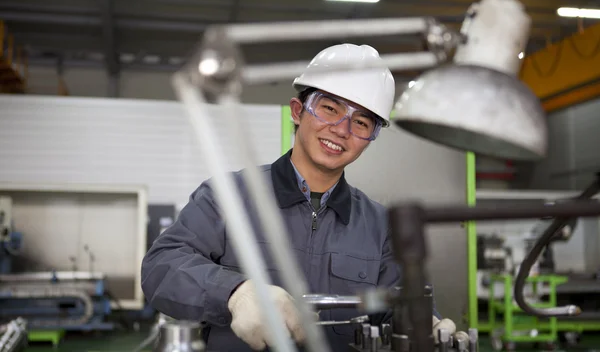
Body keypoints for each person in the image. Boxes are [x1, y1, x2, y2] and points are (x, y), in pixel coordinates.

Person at [141, 43, 456, 351]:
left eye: (361, 122)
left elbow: (396, 302)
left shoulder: (380, 225)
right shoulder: (228, 197)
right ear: (297, 111)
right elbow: (162, 265)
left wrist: (424, 323)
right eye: (329, 109)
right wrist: (235, 293)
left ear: (370, 139)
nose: (342, 130)